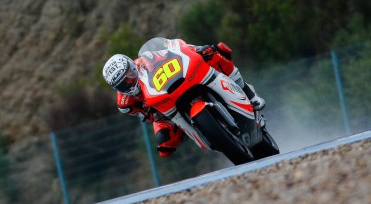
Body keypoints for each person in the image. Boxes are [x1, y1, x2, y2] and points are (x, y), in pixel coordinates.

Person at [101, 40, 265, 157]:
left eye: (129, 74)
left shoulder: (146, 60)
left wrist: (197, 50)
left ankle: (249, 94)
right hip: (162, 109)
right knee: (163, 143)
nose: (129, 81)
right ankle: (204, 135)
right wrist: (154, 114)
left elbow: (174, 49)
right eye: (123, 83)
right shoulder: (126, 103)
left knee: (217, 52)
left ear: (132, 65)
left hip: (180, 80)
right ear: (117, 88)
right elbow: (148, 117)